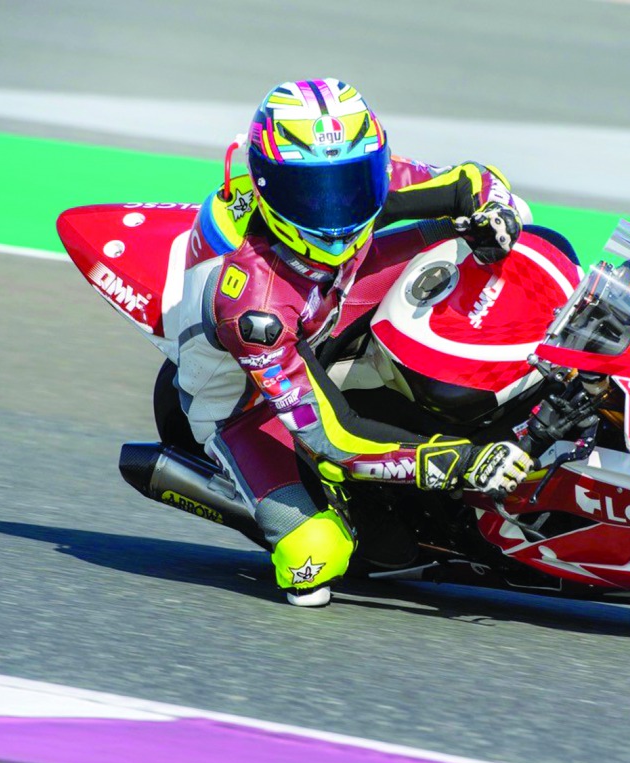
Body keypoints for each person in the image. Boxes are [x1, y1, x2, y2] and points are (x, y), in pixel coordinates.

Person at [165, 78, 534, 607]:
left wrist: (498, 214)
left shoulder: (370, 181)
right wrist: (461, 460)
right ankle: (244, 486)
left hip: (327, 305)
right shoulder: (253, 308)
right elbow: (335, 439)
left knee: (492, 233)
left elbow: (472, 181)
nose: (337, 211)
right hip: (246, 398)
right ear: (268, 185)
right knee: (314, 562)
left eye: (352, 183)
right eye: (312, 193)